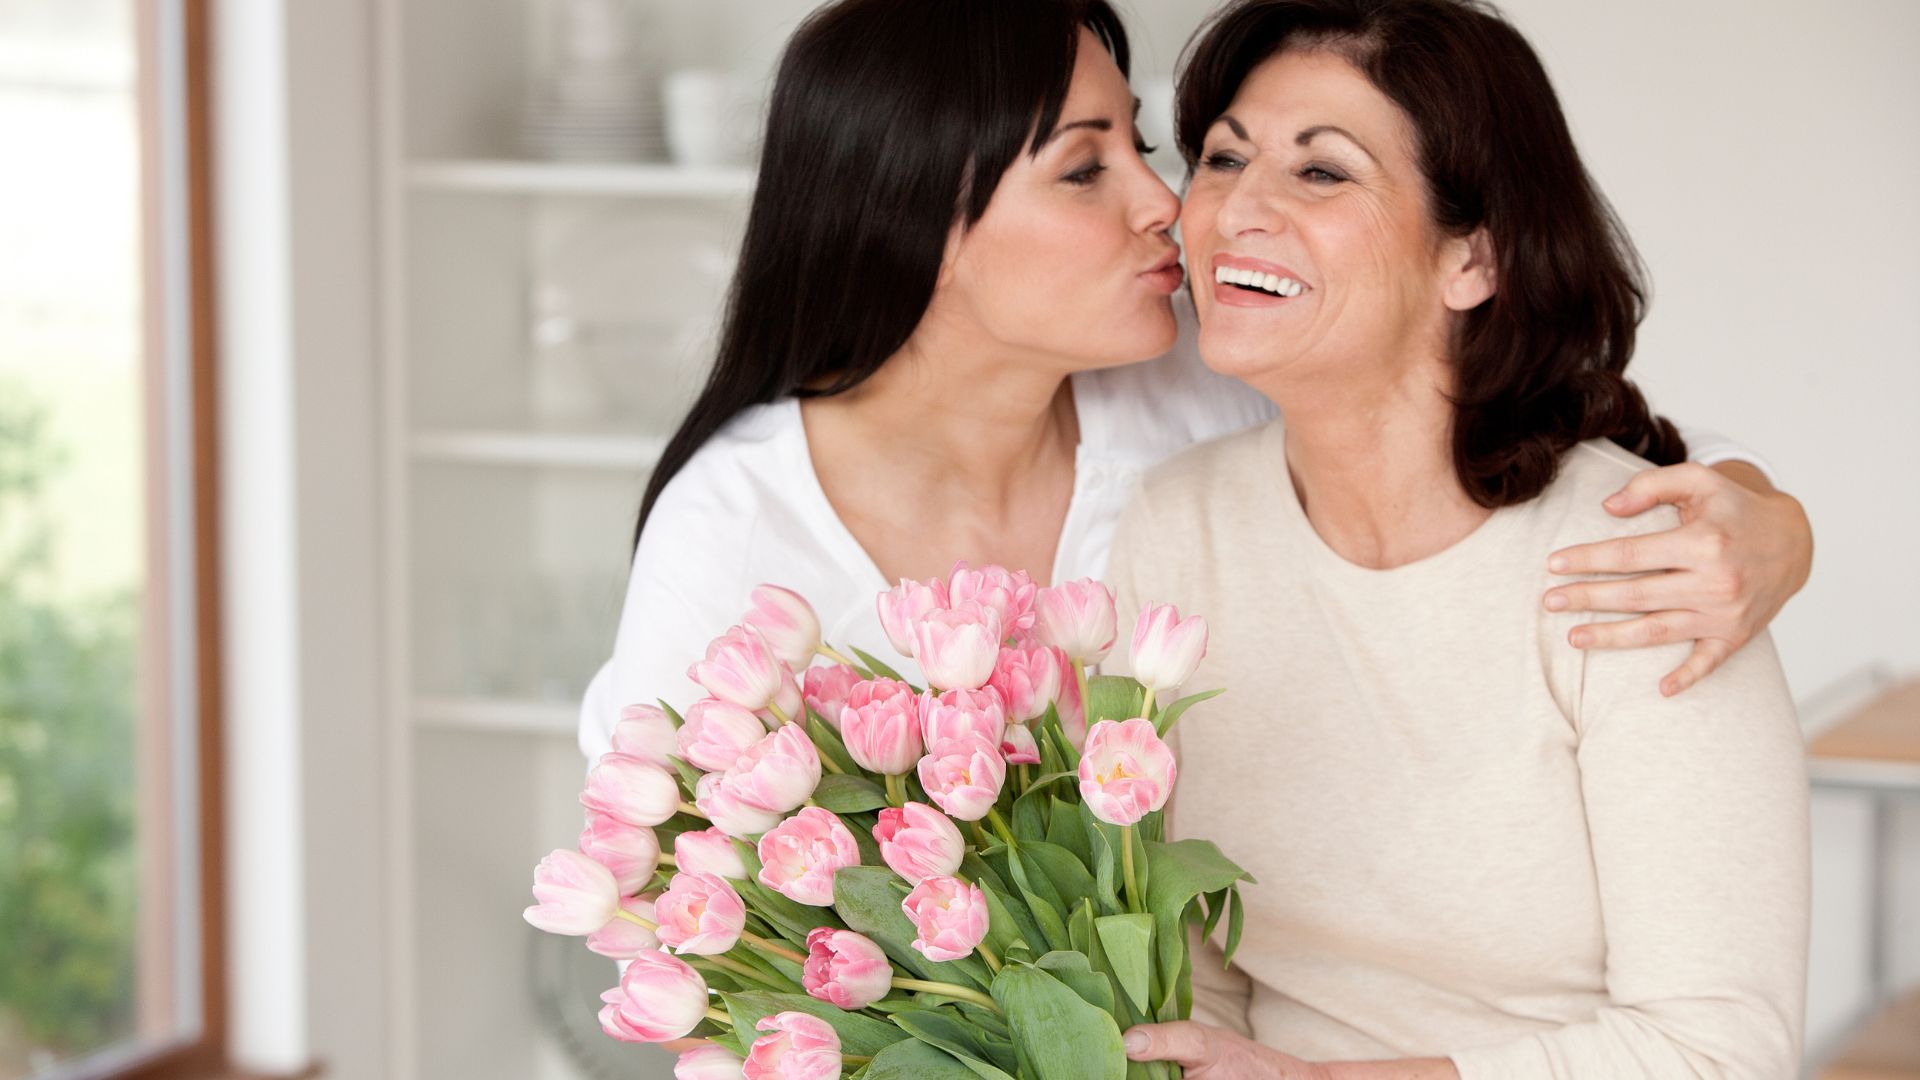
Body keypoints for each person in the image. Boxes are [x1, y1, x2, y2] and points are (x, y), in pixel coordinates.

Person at [577, 0, 1812, 773]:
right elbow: (663, 894)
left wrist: (1764, 517)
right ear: (915, 226)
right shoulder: (739, 525)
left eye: (1148, 147)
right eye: (1083, 169)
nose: (1169, 206)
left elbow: (1523, 426)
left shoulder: (1198, 385)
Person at [1109, 1, 1807, 1076]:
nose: (1235, 207)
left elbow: (1716, 1046)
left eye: (1321, 172)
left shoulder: (1645, 561)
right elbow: (1189, 973)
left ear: (1473, 259)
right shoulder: (1179, 526)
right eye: (1221, 157)